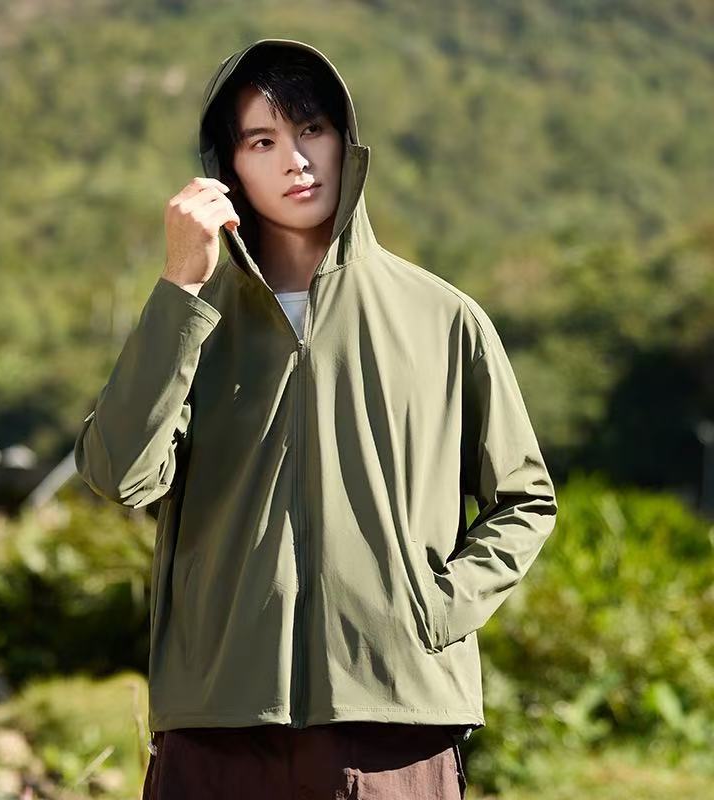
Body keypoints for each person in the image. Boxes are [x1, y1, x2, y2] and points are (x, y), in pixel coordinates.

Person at [74, 38, 558, 799]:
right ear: (228, 167)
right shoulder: (191, 322)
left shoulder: (444, 318)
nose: (295, 161)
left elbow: (525, 499)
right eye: (262, 142)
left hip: (395, 725)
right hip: (216, 723)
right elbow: (118, 475)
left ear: (345, 143)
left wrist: (431, 611)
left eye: (311, 130)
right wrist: (179, 287)